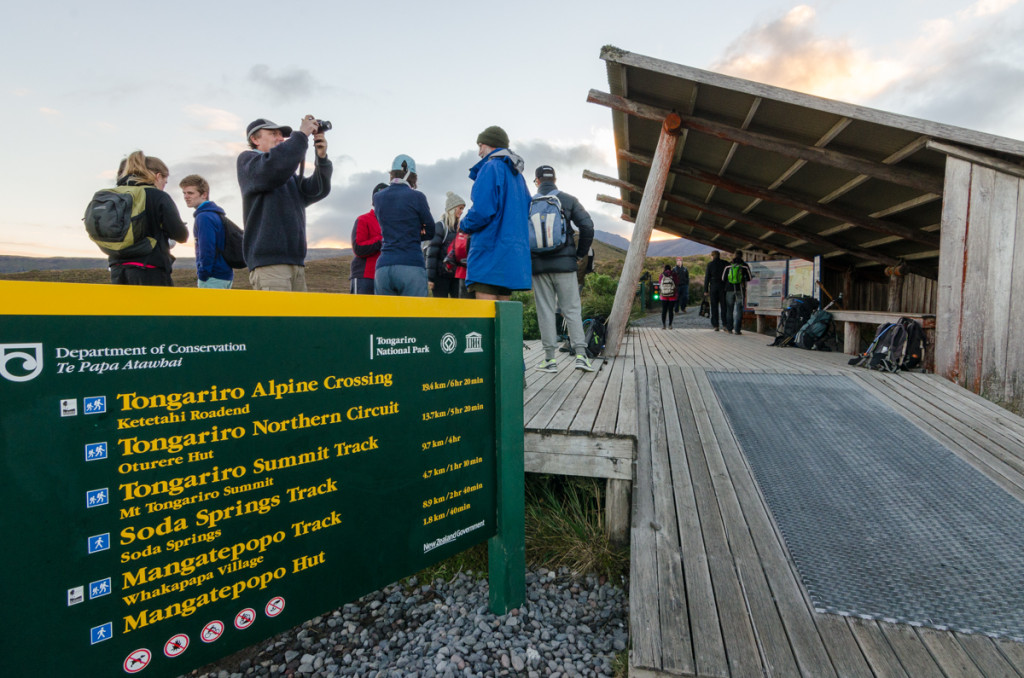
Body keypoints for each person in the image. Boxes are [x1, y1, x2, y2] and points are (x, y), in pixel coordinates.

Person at [236, 115, 332, 292]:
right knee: (277, 320)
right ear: (254, 139)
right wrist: (301, 135)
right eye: (273, 134)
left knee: (298, 320)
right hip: (270, 264)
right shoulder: (248, 162)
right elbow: (275, 166)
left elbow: (317, 190)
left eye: (282, 135)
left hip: (295, 263)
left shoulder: (286, 175)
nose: (280, 138)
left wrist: (322, 158)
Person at [530, 165, 596, 373]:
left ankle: (550, 359)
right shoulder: (568, 200)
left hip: (539, 267)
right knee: (572, 310)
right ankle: (580, 356)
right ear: (555, 180)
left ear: (537, 181)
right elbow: (587, 227)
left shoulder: (529, 202)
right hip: (566, 265)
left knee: (546, 311)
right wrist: (578, 254)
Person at [459, 125, 531, 301]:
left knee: (485, 320)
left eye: (480, 146)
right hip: (510, 258)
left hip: (489, 255)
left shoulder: (491, 167)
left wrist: (463, 225)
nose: (479, 153)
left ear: (490, 145)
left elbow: (482, 211)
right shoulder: (518, 176)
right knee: (503, 321)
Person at [105, 151, 188, 286]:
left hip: (117, 270)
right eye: (164, 182)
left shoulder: (118, 195)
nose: (163, 186)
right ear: (158, 176)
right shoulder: (158, 196)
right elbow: (181, 235)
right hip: (150, 270)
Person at [373, 155, 434, 296]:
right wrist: (414, 234)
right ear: (412, 176)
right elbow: (430, 230)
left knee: (385, 317)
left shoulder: (378, 197)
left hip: (383, 266)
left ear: (392, 173)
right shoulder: (417, 197)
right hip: (410, 263)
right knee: (414, 316)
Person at [179, 174, 233, 289]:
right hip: (224, 275)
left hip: (213, 277)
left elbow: (207, 248)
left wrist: (203, 274)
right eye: (184, 193)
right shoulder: (214, 214)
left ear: (204, 194)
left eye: (190, 193)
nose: (186, 197)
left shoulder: (204, 217)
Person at [425, 191, 466, 298]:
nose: (462, 211)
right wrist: (430, 278)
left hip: (457, 276)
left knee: (457, 310)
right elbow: (432, 254)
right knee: (440, 310)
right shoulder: (441, 226)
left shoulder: (462, 228)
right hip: (440, 276)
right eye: (460, 208)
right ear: (452, 209)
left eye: (463, 209)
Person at [349, 183, 388, 294]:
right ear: (373, 201)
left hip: (386, 279)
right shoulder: (363, 219)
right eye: (379, 198)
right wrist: (381, 240)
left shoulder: (394, 223)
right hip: (365, 277)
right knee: (360, 311)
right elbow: (358, 248)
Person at [723, 250, 753, 335]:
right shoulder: (744, 266)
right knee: (739, 309)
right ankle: (737, 330)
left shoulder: (728, 265)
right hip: (740, 289)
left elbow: (723, 278)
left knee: (730, 309)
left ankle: (729, 329)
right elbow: (749, 278)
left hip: (729, 290)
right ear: (742, 256)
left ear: (734, 255)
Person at [704, 250, 728, 331]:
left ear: (712, 256)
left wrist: (706, 290)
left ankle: (716, 325)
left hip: (713, 287)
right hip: (723, 286)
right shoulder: (725, 263)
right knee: (724, 306)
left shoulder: (710, 264)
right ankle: (725, 324)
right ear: (719, 255)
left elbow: (707, 277)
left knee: (714, 306)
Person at [659, 265, 678, 329]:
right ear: (670, 269)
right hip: (672, 296)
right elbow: (677, 283)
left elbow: (660, 283)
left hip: (664, 296)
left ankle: (664, 325)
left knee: (664, 310)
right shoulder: (674, 274)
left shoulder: (662, 275)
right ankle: (670, 325)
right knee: (670, 310)